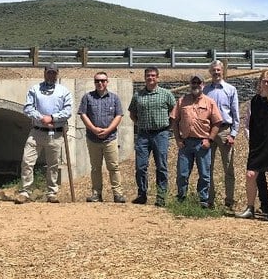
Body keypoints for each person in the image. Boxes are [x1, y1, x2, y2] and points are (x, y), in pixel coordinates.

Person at [15, 62, 73, 204]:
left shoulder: (63, 91)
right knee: (27, 161)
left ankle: (52, 193)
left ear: (57, 73)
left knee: (53, 165)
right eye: (49, 72)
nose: (51, 75)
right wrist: (41, 118)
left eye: (54, 73)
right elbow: (28, 108)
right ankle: (25, 192)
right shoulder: (35, 90)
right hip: (37, 132)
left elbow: (68, 111)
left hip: (56, 133)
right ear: (44, 73)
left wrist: (52, 117)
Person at [236, 71, 268, 221]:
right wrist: (251, 142)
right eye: (263, 81)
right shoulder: (255, 101)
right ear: (259, 82)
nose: (265, 83)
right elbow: (252, 124)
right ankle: (250, 207)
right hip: (257, 145)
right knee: (250, 175)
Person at [172, 73, 223, 208]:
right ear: (190, 85)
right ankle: (181, 199)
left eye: (198, 83)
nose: (195, 85)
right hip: (185, 143)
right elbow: (174, 120)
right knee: (182, 173)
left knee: (204, 174)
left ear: (203, 85)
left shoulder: (209, 102)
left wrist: (210, 139)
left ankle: (203, 201)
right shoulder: (182, 101)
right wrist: (177, 139)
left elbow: (217, 122)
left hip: (202, 144)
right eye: (193, 83)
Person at [129, 66, 176, 207]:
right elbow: (132, 113)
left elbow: (174, 108)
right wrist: (140, 123)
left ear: (158, 77)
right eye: (148, 75)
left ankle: (161, 197)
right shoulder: (138, 95)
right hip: (143, 135)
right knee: (140, 166)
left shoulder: (166, 94)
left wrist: (170, 124)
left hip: (161, 134)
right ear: (144, 78)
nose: (151, 78)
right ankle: (142, 194)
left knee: (161, 166)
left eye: (153, 75)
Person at [78, 71, 127, 203]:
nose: (100, 83)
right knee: (95, 167)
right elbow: (83, 114)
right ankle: (96, 194)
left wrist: (108, 130)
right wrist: (93, 129)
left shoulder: (114, 98)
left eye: (103, 80)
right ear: (94, 82)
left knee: (113, 166)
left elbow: (119, 115)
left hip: (110, 138)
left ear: (107, 82)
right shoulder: (87, 97)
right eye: (97, 81)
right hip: (93, 138)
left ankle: (118, 194)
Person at [202, 60, 240, 209]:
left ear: (222, 71)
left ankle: (229, 201)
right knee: (207, 167)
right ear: (210, 72)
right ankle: (209, 200)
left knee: (228, 167)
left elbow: (236, 113)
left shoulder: (230, 90)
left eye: (218, 70)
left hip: (225, 131)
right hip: (208, 131)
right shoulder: (205, 90)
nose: (216, 73)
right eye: (214, 70)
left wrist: (233, 134)